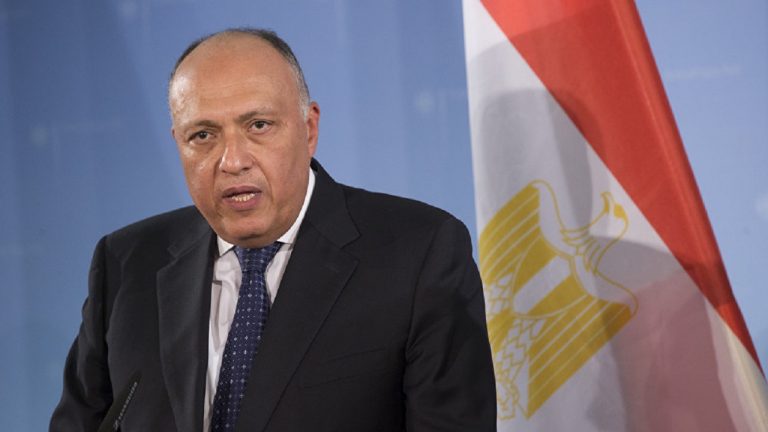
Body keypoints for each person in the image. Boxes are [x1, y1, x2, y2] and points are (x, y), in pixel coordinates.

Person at [50, 28, 496, 432]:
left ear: (309, 129)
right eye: (203, 135)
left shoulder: (418, 253)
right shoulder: (127, 263)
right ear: (178, 144)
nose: (232, 161)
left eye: (258, 126)